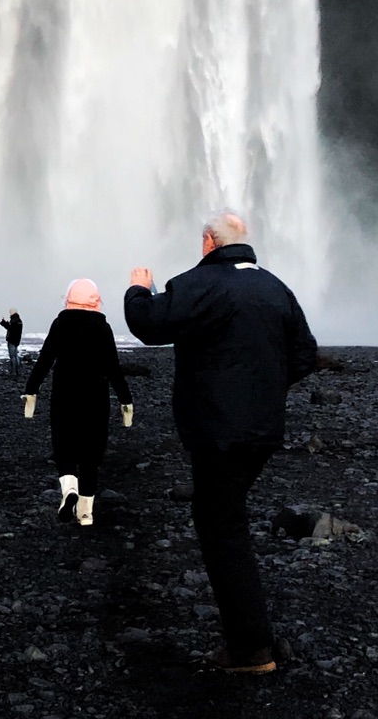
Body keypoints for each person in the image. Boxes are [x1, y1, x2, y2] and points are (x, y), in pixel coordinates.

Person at [124, 211, 318, 676]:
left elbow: (149, 325)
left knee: (222, 527)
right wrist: (264, 390)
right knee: (225, 517)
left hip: (216, 430)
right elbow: (305, 355)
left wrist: (137, 289)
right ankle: (251, 640)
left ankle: (252, 648)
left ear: (209, 241)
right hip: (262, 430)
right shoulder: (276, 288)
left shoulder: (201, 283)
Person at [23, 279, 134, 526]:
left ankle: (69, 487)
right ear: (96, 300)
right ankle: (85, 513)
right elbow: (113, 368)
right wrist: (126, 399)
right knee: (91, 455)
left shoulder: (60, 324)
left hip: (64, 395)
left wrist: (31, 390)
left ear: (69, 299)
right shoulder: (102, 328)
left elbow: (45, 360)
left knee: (64, 447)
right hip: (96, 399)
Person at [0, 309, 24, 375]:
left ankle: (13, 371)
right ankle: (18, 370)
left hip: (11, 340)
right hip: (16, 340)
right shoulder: (19, 321)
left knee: (12, 356)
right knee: (15, 355)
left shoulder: (14, 320)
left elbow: (10, 328)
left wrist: (3, 323)